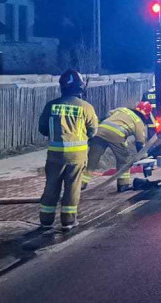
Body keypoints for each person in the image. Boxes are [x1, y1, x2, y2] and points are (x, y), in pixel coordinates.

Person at [37, 70, 98, 230]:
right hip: (77, 156)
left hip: (55, 155)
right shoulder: (86, 107)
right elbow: (93, 131)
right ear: (80, 88)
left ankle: (46, 220)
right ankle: (68, 221)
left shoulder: (51, 105)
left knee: (51, 186)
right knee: (72, 187)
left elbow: (43, 128)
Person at [83, 101, 159, 192]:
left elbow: (106, 115)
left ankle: (81, 184)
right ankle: (123, 184)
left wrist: (94, 130)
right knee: (124, 160)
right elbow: (140, 143)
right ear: (146, 115)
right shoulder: (138, 122)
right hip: (115, 135)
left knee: (92, 160)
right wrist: (144, 155)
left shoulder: (122, 109)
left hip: (99, 132)